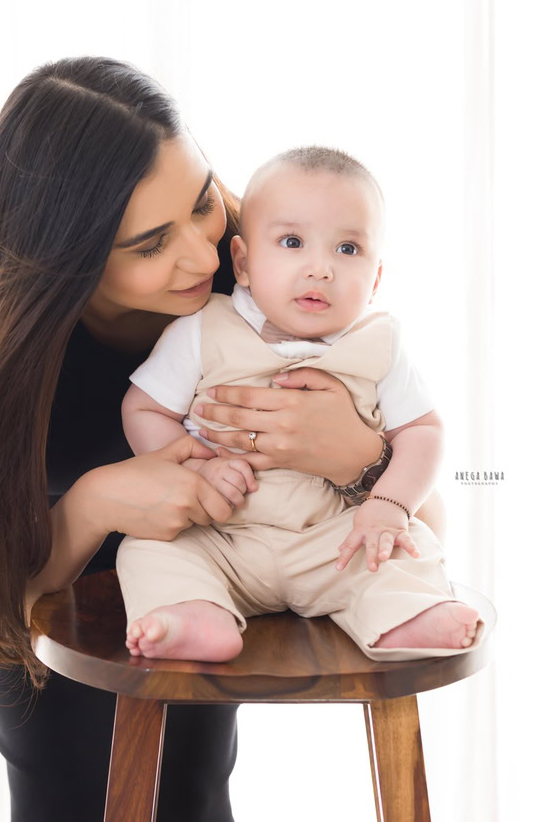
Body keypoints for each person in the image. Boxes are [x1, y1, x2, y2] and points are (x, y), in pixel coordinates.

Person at [0, 57, 448, 822]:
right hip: (54, 679)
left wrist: (359, 455)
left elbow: (429, 508)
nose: (201, 253)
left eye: (201, 203)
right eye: (150, 243)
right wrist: (94, 505)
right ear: (67, 258)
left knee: (191, 795)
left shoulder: (256, 265)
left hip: (205, 645)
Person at [117, 146, 485, 663]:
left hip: (336, 539)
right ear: (243, 262)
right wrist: (198, 470)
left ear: (376, 278)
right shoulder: (202, 330)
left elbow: (424, 432)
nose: (321, 269)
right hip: (221, 534)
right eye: (292, 242)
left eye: (349, 250)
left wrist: (390, 504)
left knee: (409, 544)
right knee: (147, 549)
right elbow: (145, 410)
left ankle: (410, 615)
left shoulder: (380, 343)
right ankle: (195, 614)